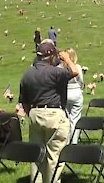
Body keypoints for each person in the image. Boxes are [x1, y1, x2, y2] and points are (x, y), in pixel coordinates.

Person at [19, 42, 78, 183]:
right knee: (55, 157)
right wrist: (68, 59)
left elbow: (24, 102)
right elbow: (75, 71)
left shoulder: (27, 74)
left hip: (34, 114)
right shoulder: (55, 72)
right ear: (51, 57)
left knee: (37, 155)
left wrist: (31, 114)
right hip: (54, 114)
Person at [64, 48, 84, 144]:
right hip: (76, 92)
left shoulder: (61, 67)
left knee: (67, 118)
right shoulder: (77, 67)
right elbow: (81, 81)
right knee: (75, 119)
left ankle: (66, 140)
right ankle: (73, 141)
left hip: (65, 93)